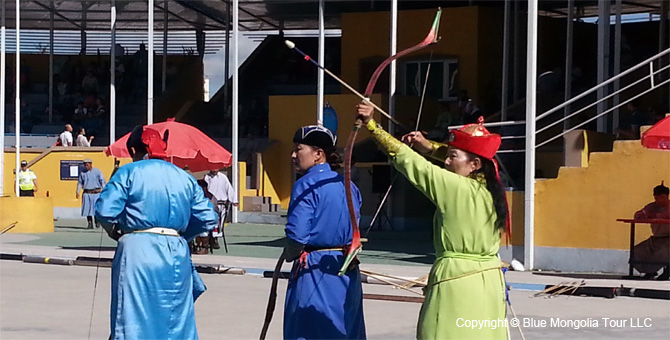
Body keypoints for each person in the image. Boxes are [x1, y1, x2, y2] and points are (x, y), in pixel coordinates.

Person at [356, 101, 509, 339]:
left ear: (475, 165)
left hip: (457, 282)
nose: (447, 161)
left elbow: (410, 162)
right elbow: (459, 157)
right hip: (489, 282)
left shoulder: (456, 187)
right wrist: (428, 147)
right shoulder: (493, 190)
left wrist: (372, 125)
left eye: (452, 157)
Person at [95, 126, 218, 340]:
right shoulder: (184, 177)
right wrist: (181, 236)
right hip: (177, 251)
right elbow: (209, 217)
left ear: (133, 152)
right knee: (176, 318)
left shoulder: (129, 171)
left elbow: (105, 211)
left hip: (138, 249)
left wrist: (115, 231)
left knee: (133, 316)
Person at [282, 125, 366, 340]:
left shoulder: (306, 185)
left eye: (298, 149)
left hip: (315, 268)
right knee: (346, 328)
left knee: (310, 330)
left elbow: (297, 236)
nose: (293, 155)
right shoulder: (348, 184)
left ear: (318, 154)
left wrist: (291, 253)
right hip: (346, 265)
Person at [632, 182, 670, 280]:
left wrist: (653, 216)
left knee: (664, 250)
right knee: (638, 250)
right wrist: (642, 215)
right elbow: (639, 214)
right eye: (656, 198)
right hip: (656, 238)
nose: (659, 200)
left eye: (661, 197)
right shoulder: (651, 206)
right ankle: (650, 271)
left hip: (668, 238)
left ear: (666, 196)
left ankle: (667, 272)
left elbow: (663, 215)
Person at [204, 169, 239, 251]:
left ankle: (215, 238)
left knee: (220, 221)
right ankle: (211, 238)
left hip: (222, 203)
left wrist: (234, 200)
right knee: (212, 220)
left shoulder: (223, 177)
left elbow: (229, 188)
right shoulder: (206, 177)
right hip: (211, 202)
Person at [76, 159, 106, 229]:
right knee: (87, 209)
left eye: (87, 165)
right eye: (85, 165)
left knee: (96, 209)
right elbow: (80, 183)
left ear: (91, 164)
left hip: (96, 193)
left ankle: (97, 221)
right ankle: (90, 223)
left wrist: (104, 190)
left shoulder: (97, 171)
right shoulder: (82, 173)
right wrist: (78, 191)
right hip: (87, 193)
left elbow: (102, 181)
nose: (86, 166)